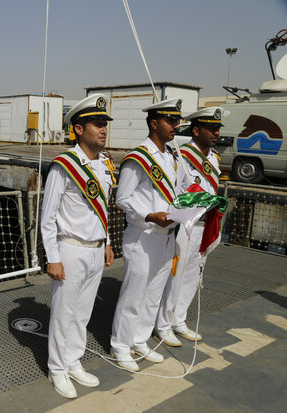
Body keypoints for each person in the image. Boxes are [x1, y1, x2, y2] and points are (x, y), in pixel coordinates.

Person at [41, 94, 116, 398]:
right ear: (79, 128)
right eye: (97, 124)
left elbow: (103, 208)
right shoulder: (64, 165)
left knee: (82, 313)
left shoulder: (105, 164)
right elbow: (48, 217)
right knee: (64, 312)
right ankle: (57, 368)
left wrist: (107, 242)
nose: (103, 129)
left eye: (104, 124)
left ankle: (74, 360)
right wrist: (53, 257)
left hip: (96, 249)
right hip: (70, 248)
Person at [110, 98, 182, 371]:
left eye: (177, 121)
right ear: (154, 123)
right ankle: (120, 345)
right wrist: (150, 215)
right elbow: (123, 198)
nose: (176, 126)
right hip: (144, 235)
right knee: (134, 294)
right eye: (170, 121)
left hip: (166, 235)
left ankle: (140, 340)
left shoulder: (170, 157)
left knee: (153, 294)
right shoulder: (137, 157)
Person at [155, 107, 225, 346]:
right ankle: (163, 325)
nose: (216, 133)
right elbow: (177, 192)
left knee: (194, 274)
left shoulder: (214, 158)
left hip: (205, 225)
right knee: (177, 275)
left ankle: (179, 320)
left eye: (218, 129)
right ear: (196, 130)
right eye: (211, 128)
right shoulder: (182, 156)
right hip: (186, 224)